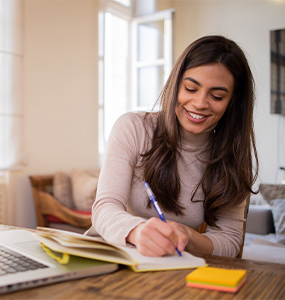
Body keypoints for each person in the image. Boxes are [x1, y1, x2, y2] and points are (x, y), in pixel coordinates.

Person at [87, 35, 258, 258]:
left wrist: (186, 236)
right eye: (190, 88)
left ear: (232, 102)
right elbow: (104, 208)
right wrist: (137, 232)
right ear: (175, 84)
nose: (199, 103)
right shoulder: (133, 128)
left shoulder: (232, 155)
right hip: (110, 255)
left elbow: (230, 241)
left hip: (169, 266)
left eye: (216, 96)